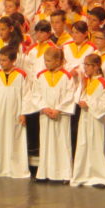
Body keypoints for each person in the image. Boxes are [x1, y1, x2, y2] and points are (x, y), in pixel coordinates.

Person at [32, 47, 78, 183]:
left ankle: (64, 174)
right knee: (46, 143)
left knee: (62, 143)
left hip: (61, 115)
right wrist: (44, 108)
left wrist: (58, 109)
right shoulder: (40, 76)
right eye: (45, 61)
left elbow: (70, 95)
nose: (46, 63)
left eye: (49, 61)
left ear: (58, 61)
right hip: (45, 114)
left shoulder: (66, 76)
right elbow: (36, 94)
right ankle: (44, 173)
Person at [0, 46, 31, 179]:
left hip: (16, 112)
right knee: (0, 137)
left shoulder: (21, 75)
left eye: (5, 60)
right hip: (1, 113)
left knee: (15, 139)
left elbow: (26, 95)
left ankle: (16, 169)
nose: (2, 63)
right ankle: (0, 168)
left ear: (13, 60)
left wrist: (24, 112)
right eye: (0, 60)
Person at [71, 54, 105, 188]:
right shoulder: (87, 81)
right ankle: (83, 174)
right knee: (83, 144)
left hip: (96, 119)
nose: (85, 68)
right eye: (85, 65)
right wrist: (82, 85)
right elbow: (78, 98)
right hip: (85, 118)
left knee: (96, 145)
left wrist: (89, 104)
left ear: (96, 67)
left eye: (88, 65)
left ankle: (99, 176)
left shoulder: (103, 83)